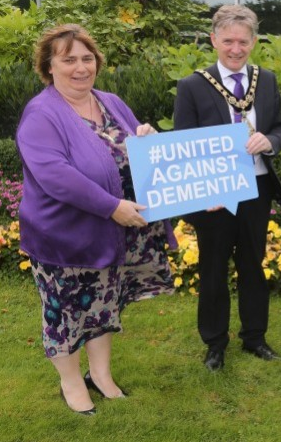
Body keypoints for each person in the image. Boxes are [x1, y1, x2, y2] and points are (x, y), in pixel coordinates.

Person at [17, 24, 175, 415]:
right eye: (68, 59)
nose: (80, 67)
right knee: (65, 312)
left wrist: (146, 138)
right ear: (48, 66)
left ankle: (101, 376)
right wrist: (111, 206)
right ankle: (71, 383)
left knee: (103, 305)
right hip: (65, 236)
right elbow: (55, 175)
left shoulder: (111, 101)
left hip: (110, 235)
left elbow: (131, 147)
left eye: (87, 58)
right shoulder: (42, 113)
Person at [174, 5, 281, 372]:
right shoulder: (193, 85)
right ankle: (215, 343)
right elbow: (183, 144)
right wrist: (202, 193)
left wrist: (268, 141)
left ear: (254, 41)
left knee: (253, 265)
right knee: (212, 268)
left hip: (256, 189)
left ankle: (255, 337)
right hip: (216, 195)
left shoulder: (266, 80)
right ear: (213, 40)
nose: (236, 49)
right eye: (228, 41)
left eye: (243, 41)